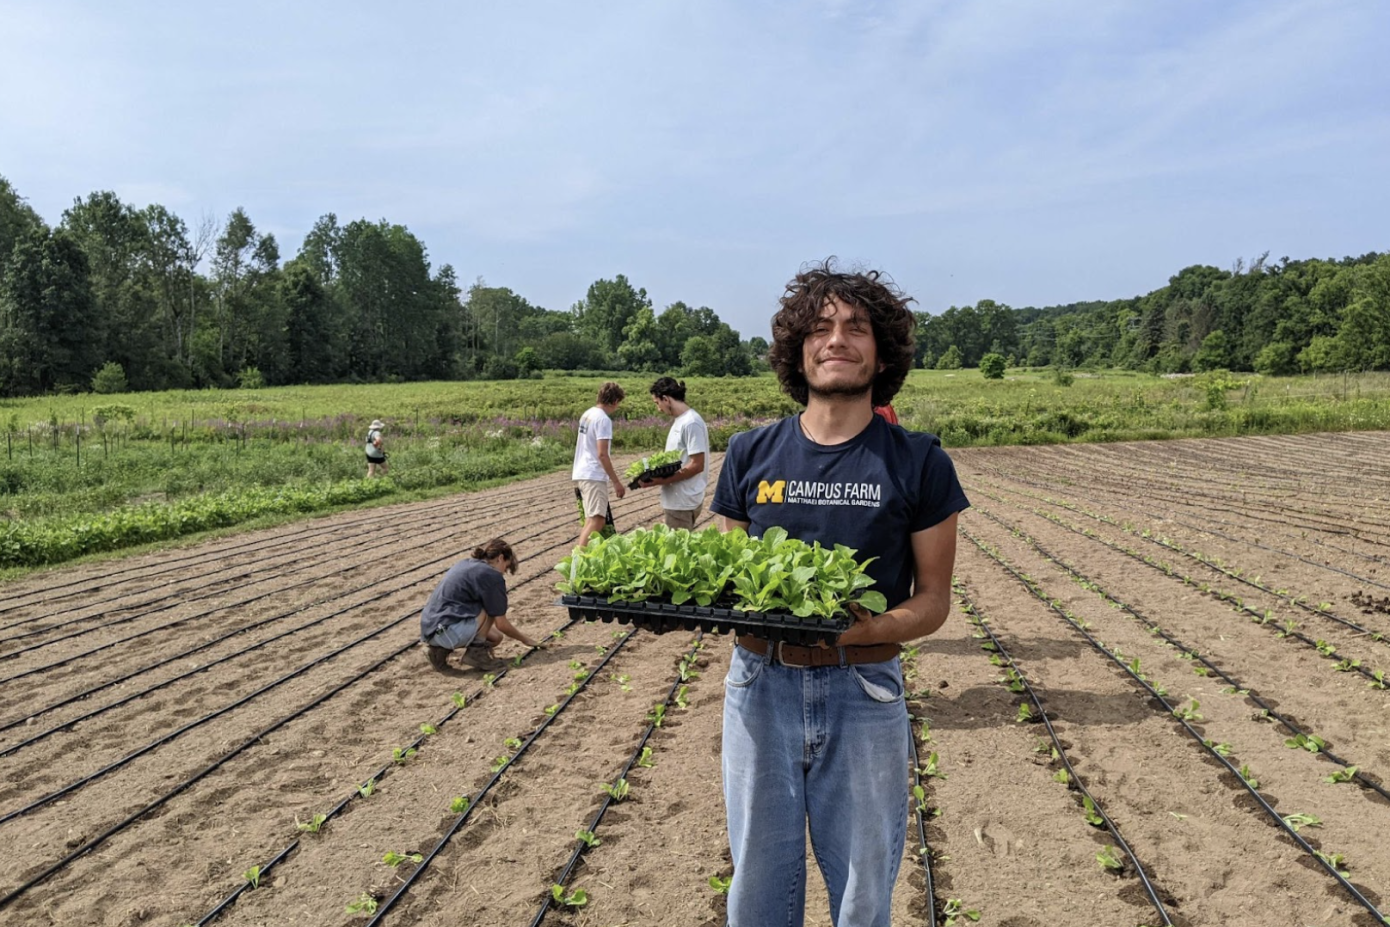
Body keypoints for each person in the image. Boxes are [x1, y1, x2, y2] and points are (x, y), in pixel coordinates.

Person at [709, 260, 970, 927]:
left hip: (864, 692)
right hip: (759, 688)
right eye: (820, 326)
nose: (837, 338)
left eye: (857, 327)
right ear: (799, 349)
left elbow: (933, 600)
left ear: (881, 352)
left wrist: (855, 632)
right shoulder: (749, 454)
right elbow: (727, 581)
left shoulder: (918, 461)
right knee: (758, 891)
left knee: (862, 897)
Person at [421, 538, 542, 672]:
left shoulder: (465, 564)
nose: (503, 573)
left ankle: (438, 652)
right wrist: (526, 640)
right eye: (506, 568)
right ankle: (475, 654)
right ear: (500, 558)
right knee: (489, 607)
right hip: (447, 631)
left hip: (432, 630)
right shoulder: (491, 576)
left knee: (496, 638)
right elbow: (501, 624)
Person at [635, 376, 709, 530]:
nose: (658, 408)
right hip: (677, 500)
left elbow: (697, 465)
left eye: (657, 403)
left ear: (666, 399)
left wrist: (661, 480)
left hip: (682, 501)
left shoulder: (691, 422)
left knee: (677, 550)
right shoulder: (681, 421)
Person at [572, 381, 626, 550]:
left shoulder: (588, 414)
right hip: (593, 473)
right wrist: (616, 482)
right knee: (598, 520)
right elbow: (602, 454)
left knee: (591, 519)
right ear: (615, 401)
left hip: (582, 471)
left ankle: (581, 561)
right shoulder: (603, 420)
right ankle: (578, 561)